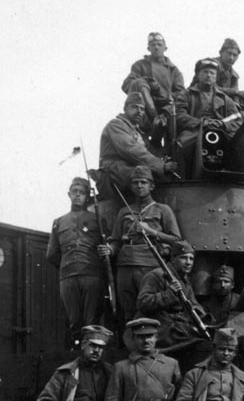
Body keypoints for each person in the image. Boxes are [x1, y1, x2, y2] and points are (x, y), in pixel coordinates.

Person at [108, 166, 181, 323]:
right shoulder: (124, 211)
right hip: (125, 264)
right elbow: (115, 241)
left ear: (152, 186)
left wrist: (151, 232)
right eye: (135, 183)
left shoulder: (163, 210)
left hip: (149, 263)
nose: (139, 186)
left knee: (148, 307)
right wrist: (110, 249)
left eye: (143, 182)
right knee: (127, 308)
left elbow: (176, 239)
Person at [46, 178, 109, 344]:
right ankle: (77, 354)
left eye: (82, 193)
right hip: (68, 276)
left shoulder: (98, 219)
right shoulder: (58, 222)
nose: (78, 196)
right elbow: (51, 254)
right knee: (74, 321)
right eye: (74, 192)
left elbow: (108, 246)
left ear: (87, 196)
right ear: (69, 194)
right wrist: (69, 264)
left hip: (92, 275)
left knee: (91, 320)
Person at [97, 91, 178, 203]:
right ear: (125, 108)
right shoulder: (116, 125)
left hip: (127, 168)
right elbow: (131, 151)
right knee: (145, 178)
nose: (139, 112)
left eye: (142, 109)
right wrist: (161, 166)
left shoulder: (136, 131)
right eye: (134, 107)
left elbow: (148, 152)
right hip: (114, 170)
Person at [175, 58, 244, 177]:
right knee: (182, 144)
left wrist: (223, 124)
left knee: (239, 145)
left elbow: (238, 119)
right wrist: (201, 122)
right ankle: (182, 177)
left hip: (220, 130)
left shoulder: (224, 98)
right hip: (194, 130)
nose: (209, 75)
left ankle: (234, 176)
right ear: (198, 75)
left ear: (216, 77)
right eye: (205, 72)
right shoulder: (187, 94)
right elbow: (180, 115)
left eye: (212, 73)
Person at [135, 240, 207, 347]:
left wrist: (202, 316)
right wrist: (168, 294)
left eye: (191, 259)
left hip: (176, 328)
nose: (188, 262)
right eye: (184, 258)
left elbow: (192, 303)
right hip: (158, 331)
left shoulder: (184, 279)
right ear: (173, 259)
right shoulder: (157, 275)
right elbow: (143, 303)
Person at [121, 32, 185, 144]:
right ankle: (155, 119)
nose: (156, 47)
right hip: (144, 107)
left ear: (165, 47)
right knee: (140, 82)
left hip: (166, 107)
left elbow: (181, 91)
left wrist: (169, 97)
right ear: (148, 48)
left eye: (159, 44)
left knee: (174, 123)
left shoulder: (174, 70)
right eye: (153, 44)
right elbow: (127, 85)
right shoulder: (140, 65)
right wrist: (147, 81)